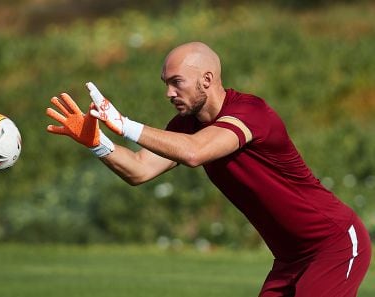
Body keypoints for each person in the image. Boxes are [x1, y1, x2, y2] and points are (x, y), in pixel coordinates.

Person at [46, 41, 371, 297]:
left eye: (176, 83)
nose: (168, 93)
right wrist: (97, 142)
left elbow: (195, 152)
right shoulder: (185, 125)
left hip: (334, 244)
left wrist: (124, 125)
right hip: (290, 259)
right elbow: (140, 170)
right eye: (166, 83)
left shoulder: (250, 112)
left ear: (207, 80)